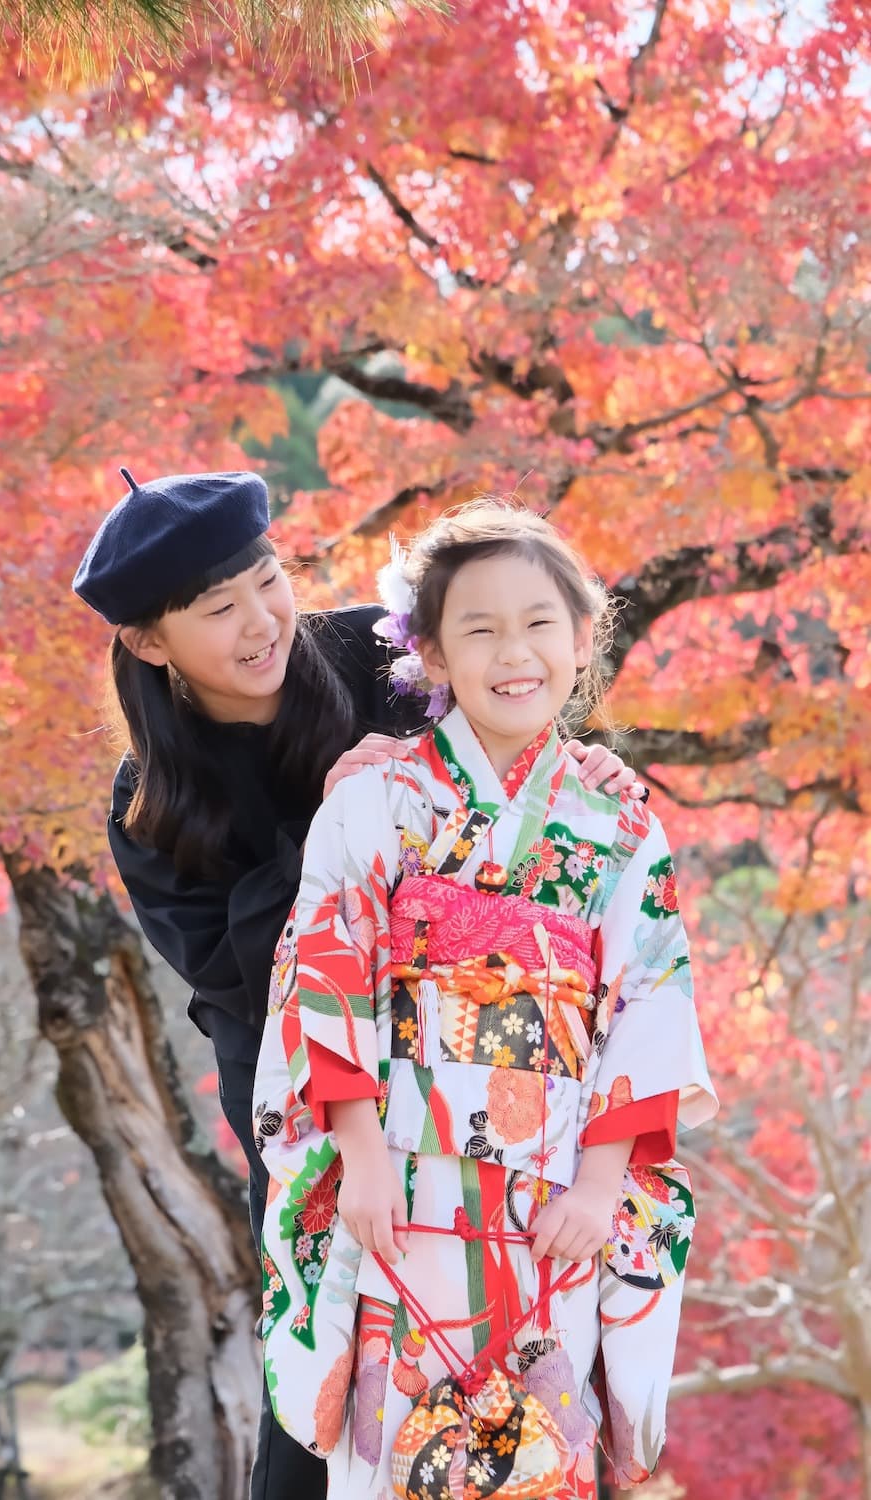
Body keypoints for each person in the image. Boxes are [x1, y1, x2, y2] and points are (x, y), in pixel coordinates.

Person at [72, 469, 645, 1500]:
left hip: (485, 1074)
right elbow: (234, 977)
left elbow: (516, 771)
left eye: (268, 582)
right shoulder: (149, 805)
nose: (261, 624)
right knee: (325, 1394)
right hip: (312, 1114)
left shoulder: (382, 660)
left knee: (522, 1366)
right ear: (149, 643)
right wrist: (341, 826)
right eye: (218, 610)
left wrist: (583, 772)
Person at [252, 499, 718, 1499]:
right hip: (403, 1187)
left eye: (540, 623)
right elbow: (324, 974)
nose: (515, 652)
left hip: (553, 1199)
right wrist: (362, 1161)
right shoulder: (374, 803)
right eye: (479, 628)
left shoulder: (617, 823)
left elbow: (648, 999)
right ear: (428, 651)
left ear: (583, 633)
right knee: (392, 1455)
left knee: (540, 1452)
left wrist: (600, 1189)